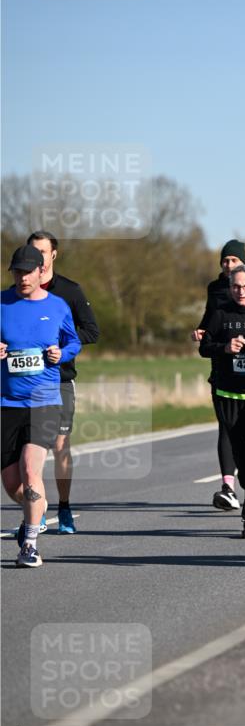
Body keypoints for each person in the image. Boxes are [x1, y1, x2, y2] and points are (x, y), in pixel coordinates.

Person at [1, 245, 81, 567]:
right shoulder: (2, 303)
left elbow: (73, 341)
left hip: (45, 399)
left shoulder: (58, 306)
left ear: (40, 272)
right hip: (6, 401)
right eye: (16, 272)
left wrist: (62, 354)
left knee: (31, 468)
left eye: (27, 271)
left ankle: (30, 545)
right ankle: (38, 508)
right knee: (11, 483)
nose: (22, 277)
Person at [191, 239, 245, 512]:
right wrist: (207, 336)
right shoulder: (216, 293)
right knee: (231, 434)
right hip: (224, 377)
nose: (229, 265)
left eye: (234, 261)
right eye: (225, 261)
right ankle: (233, 486)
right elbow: (208, 329)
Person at [26, 231, 99, 534]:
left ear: (53, 255)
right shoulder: (18, 290)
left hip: (59, 379)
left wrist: (61, 345)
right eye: (32, 252)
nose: (37, 259)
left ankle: (64, 507)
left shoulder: (69, 291)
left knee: (59, 446)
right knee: (30, 449)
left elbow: (92, 331)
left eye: (42, 252)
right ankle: (37, 510)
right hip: (24, 382)